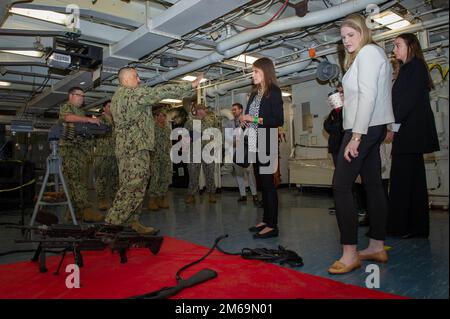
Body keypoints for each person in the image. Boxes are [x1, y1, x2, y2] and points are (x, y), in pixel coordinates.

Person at [328, 14, 395, 274]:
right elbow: (370, 92)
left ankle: (350, 252)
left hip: (363, 128)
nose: (346, 41)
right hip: (373, 126)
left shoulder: (367, 53)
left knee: (341, 187)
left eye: (351, 35)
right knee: (374, 186)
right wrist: (348, 95)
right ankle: (377, 245)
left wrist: (355, 137)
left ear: (363, 33)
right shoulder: (373, 54)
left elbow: (368, 96)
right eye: (343, 37)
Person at [105, 67, 201, 234]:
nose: (139, 80)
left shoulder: (119, 97)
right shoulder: (130, 94)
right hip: (134, 149)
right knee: (131, 186)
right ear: (126, 79)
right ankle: (111, 224)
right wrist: (189, 86)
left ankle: (131, 221)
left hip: (132, 148)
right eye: (136, 76)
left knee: (137, 186)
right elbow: (158, 92)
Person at [387, 33, 440, 239]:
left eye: (397, 45)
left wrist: (392, 125)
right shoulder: (408, 69)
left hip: (411, 133)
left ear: (410, 47)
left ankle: (401, 226)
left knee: (402, 180)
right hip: (409, 133)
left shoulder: (415, 67)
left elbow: (406, 102)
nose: (394, 50)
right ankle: (415, 227)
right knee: (413, 182)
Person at [240, 57, 284, 239]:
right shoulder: (254, 93)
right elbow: (250, 118)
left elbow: (278, 120)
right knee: (261, 184)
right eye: (253, 71)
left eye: (256, 71)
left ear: (265, 71)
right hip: (254, 140)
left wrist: (253, 119)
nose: (253, 75)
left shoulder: (273, 91)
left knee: (268, 186)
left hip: (267, 140)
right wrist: (244, 121)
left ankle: (273, 226)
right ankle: (266, 220)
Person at [59, 87, 104, 222]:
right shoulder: (67, 107)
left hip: (81, 151)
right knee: (77, 181)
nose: (82, 98)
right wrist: (89, 120)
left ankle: (73, 212)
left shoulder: (80, 111)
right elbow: (67, 118)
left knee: (76, 182)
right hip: (71, 151)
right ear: (71, 95)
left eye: (83, 96)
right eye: (79, 95)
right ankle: (85, 211)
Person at [225, 102, 258, 204]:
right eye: (232, 110)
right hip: (235, 151)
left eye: (235, 109)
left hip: (247, 150)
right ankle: (243, 195)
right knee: (239, 174)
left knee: (250, 174)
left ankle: (254, 195)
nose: (233, 111)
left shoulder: (248, 120)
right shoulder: (229, 123)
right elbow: (228, 138)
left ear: (241, 110)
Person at [184, 104, 217, 204]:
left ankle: (211, 194)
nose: (202, 111)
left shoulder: (211, 122)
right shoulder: (190, 123)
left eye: (204, 110)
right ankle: (191, 195)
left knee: (210, 174)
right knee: (193, 174)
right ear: (196, 111)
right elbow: (184, 137)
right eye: (200, 110)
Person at [93, 100, 118, 211]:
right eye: (109, 106)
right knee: (101, 179)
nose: (111, 108)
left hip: (115, 155)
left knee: (114, 179)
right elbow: (94, 137)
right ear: (104, 108)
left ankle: (113, 199)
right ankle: (101, 200)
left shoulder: (117, 121)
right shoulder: (99, 120)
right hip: (102, 155)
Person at [147, 106, 172, 211]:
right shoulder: (151, 128)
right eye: (159, 115)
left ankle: (160, 198)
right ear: (155, 117)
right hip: (155, 157)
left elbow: (169, 143)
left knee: (165, 178)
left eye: (163, 116)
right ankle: (152, 200)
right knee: (155, 178)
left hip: (165, 157)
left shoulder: (167, 129)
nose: (161, 117)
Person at [324, 84, 344, 214]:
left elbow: (343, 126)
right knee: (338, 177)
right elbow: (326, 125)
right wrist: (335, 127)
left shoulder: (346, 110)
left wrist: (335, 126)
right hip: (335, 147)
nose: (337, 95)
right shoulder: (333, 112)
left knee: (344, 178)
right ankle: (340, 204)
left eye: (340, 92)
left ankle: (350, 205)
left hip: (344, 147)